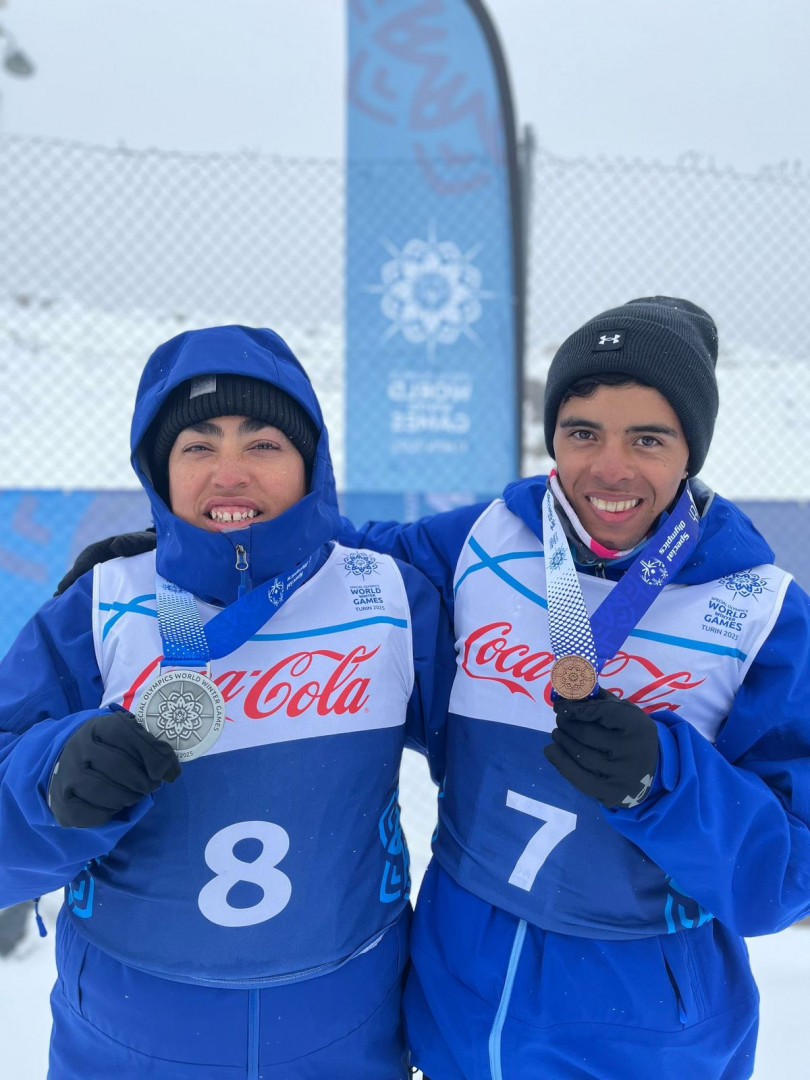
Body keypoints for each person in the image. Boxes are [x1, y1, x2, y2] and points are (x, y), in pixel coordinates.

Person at [57, 297, 810, 1080]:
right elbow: (331, 547)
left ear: (692, 449)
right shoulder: (484, 539)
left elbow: (788, 877)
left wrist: (667, 780)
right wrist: (188, 543)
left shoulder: (760, 613)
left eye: (648, 439)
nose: (610, 468)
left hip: (642, 1022)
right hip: (461, 1001)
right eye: (583, 432)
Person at [0, 324, 452, 1079]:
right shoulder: (101, 604)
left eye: (263, 444)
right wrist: (51, 782)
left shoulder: (389, 596)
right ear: (160, 471)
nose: (230, 474)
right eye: (198, 447)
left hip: (341, 1028)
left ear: (310, 463)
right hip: (129, 1033)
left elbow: (497, 770)